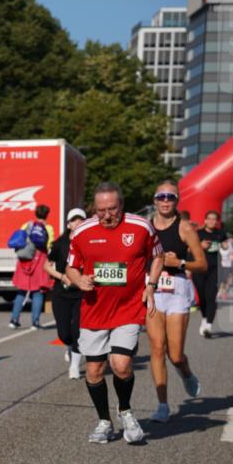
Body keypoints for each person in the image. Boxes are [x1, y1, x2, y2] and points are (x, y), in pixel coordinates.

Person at [66, 181, 164, 445]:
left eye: (112, 209)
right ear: (93, 209)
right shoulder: (81, 232)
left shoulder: (141, 226)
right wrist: (78, 281)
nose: (107, 215)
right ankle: (104, 421)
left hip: (128, 308)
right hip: (94, 310)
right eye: (101, 210)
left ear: (121, 204)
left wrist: (151, 286)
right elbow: (71, 268)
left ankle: (125, 410)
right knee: (95, 371)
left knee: (121, 365)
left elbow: (158, 256)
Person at [145, 181, 206, 422]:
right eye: (161, 196)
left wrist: (179, 263)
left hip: (177, 289)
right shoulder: (146, 227)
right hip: (152, 288)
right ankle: (162, 404)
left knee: (176, 355)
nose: (165, 201)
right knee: (157, 348)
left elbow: (201, 264)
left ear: (177, 200)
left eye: (170, 197)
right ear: (155, 200)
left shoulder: (185, 228)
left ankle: (186, 373)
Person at [44, 207, 87, 379]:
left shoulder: (91, 243)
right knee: (64, 333)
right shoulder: (60, 244)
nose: (78, 223)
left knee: (77, 332)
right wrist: (62, 276)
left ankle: (74, 367)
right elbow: (46, 265)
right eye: (74, 220)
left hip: (81, 295)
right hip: (61, 294)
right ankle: (68, 346)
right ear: (69, 224)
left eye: (81, 220)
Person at [9, 204, 54, 330]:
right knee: (38, 292)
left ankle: (14, 319)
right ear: (47, 215)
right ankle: (35, 322)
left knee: (22, 291)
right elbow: (50, 245)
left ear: (36, 213)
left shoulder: (27, 225)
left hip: (24, 261)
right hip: (39, 261)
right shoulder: (48, 228)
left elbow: (20, 240)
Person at [195, 210, 228, 337]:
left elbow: (226, 246)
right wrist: (200, 245)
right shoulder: (198, 234)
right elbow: (189, 248)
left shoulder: (221, 234)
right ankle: (204, 318)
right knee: (202, 297)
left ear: (217, 221)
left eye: (214, 219)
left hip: (215, 269)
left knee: (211, 297)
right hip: (199, 268)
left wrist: (225, 246)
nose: (212, 221)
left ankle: (208, 325)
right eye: (209, 219)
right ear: (205, 220)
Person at [219, 235, 233, 299]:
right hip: (222, 266)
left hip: (229, 266)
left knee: (229, 281)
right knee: (223, 281)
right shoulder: (220, 247)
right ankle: (221, 292)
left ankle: (224, 292)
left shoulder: (230, 245)